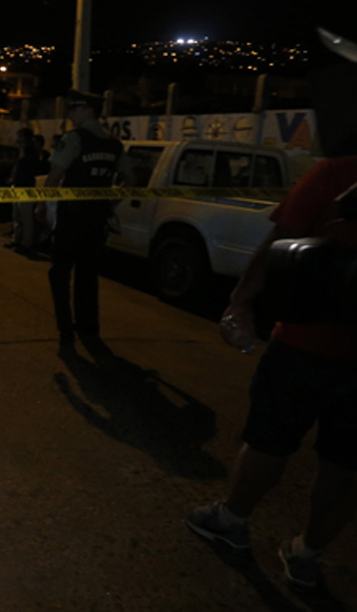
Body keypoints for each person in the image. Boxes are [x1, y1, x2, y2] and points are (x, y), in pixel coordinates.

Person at [185, 30, 357, 592]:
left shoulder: (339, 172)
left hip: (306, 344)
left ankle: (230, 522)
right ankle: (308, 556)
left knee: (269, 441)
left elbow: (278, 243)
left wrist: (240, 303)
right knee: (344, 466)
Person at [35, 91, 133, 345]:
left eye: (74, 110)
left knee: (60, 272)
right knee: (88, 275)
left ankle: (65, 327)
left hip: (72, 217)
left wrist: (44, 205)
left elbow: (55, 176)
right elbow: (130, 180)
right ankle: (89, 328)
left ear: (88, 112)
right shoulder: (114, 144)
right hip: (97, 219)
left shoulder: (74, 139)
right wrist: (110, 204)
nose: (69, 115)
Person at [6, 127, 44, 252]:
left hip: (26, 187)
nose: (18, 140)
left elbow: (31, 169)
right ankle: (17, 239)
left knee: (26, 217)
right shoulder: (21, 152)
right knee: (17, 216)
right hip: (17, 187)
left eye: (21, 137)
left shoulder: (31, 153)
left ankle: (26, 243)